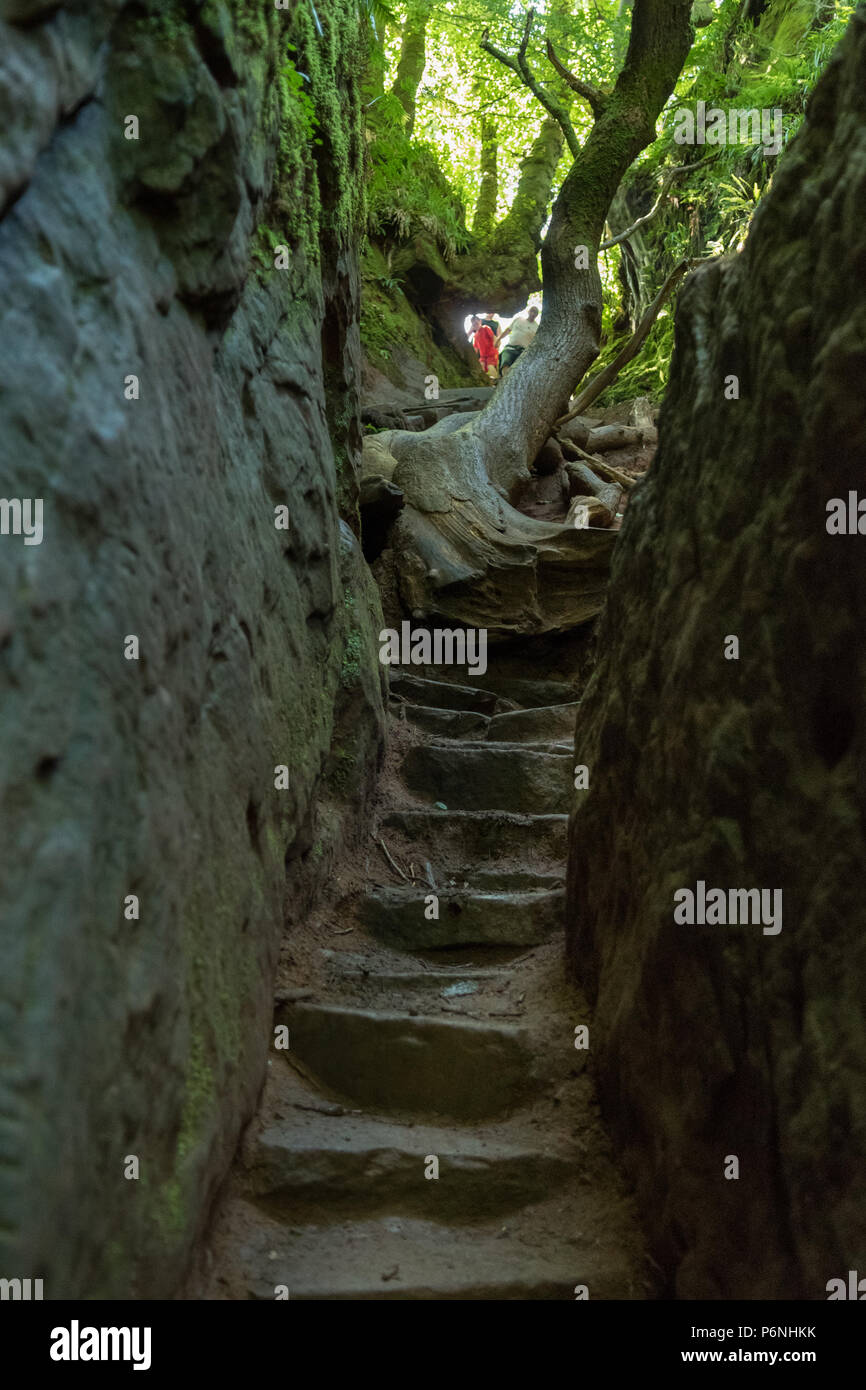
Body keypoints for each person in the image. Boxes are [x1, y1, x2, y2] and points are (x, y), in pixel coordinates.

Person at [498, 306, 539, 376]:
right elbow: (508, 330)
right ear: (528, 311)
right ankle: (505, 379)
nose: (533, 313)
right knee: (505, 362)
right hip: (510, 348)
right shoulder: (519, 319)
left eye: (535, 312)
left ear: (537, 315)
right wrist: (498, 340)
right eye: (532, 311)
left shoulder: (537, 327)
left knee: (521, 369)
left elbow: (536, 342)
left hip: (523, 351)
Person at [469, 314, 498, 378]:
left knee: (490, 366)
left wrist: (496, 344)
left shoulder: (485, 328)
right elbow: (476, 348)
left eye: (476, 323)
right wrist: (473, 356)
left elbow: (493, 337)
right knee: (480, 366)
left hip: (491, 353)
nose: (475, 325)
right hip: (483, 356)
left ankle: (496, 379)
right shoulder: (475, 335)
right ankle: (486, 381)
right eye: (474, 325)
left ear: (480, 321)